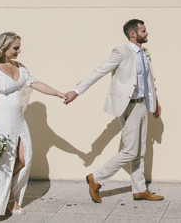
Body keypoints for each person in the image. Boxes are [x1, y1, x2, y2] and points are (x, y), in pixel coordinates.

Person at [63, 19, 164, 203]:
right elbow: (99, 71)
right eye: (143, 30)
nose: (147, 33)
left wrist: (155, 101)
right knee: (130, 151)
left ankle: (140, 189)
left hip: (142, 105)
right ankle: (96, 178)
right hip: (129, 106)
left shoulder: (144, 54)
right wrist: (77, 91)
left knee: (140, 150)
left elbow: (149, 80)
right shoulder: (121, 52)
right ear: (133, 34)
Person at [0, 32, 67, 220]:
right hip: (0, 123)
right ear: (4, 48)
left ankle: (8, 195)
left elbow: (35, 83)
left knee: (23, 159)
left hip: (18, 121)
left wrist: (59, 93)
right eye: (15, 48)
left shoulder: (20, 67)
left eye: (19, 47)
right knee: (2, 163)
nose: (19, 51)